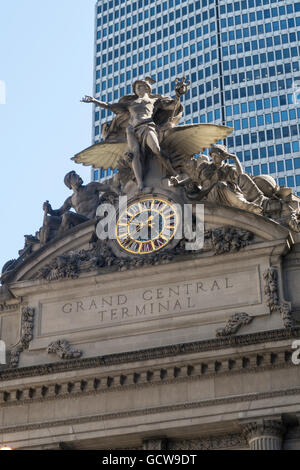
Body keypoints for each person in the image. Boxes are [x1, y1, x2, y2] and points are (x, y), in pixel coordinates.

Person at [82, 78, 188, 190]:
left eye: (139, 87)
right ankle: (140, 182)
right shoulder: (130, 103)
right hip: (132, 130)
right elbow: (110, 106)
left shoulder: (154, 101)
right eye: (135, 88)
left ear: (147, 88)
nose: (136, 90)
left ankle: (172, 172)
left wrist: (178, 95)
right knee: (135, 154)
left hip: (147, 126)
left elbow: (173, 106)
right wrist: (94, 101)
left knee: (156, 149)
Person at [41, 171, 114, 243]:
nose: (78, 176)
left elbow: (109, 187)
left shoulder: (91, 186)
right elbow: (58, 212)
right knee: (48, 219)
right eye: (74, 176)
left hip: (92, 220)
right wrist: (49, 209)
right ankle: (49, 241)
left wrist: (120, 192)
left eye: (77, 175)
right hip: (81, 223)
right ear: (70, 183)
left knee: (67, 215)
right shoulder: (71, 199)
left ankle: (59, 239)